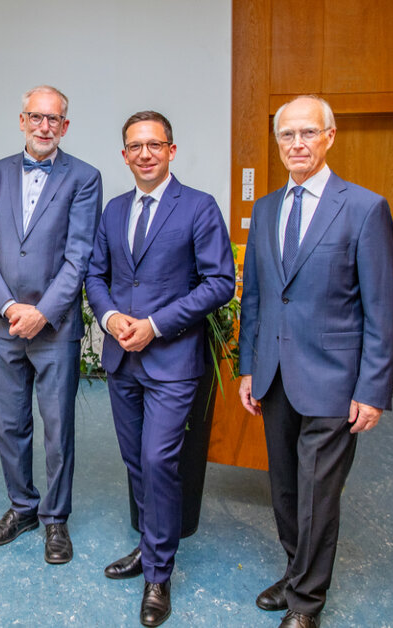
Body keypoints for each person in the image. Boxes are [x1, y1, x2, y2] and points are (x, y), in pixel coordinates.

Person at [238, 95, 393, 628]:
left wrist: (373, 389)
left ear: (330, 137)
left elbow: (382, 309)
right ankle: (295, 571)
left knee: (318, 494)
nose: (297, 143)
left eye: (309, 132)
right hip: (274, 373)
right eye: (287, 135)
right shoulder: (266, 209)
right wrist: (248, 367)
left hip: (335, 378)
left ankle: (307, 601)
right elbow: (257, 296)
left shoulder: (364, 208)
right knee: (285, 487)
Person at [85, 111, 235, 627]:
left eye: (154, 144)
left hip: (172, 360)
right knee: (135, 463)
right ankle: (149, 548)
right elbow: (96, 275)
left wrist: (154, 324)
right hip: (122, 357)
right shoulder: (113, 210)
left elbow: (220, 283)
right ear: (124, 155)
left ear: (171, 150)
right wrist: (110, 318)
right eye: (135, 146)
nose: (145, 153)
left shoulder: (198, 206)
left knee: (158, 461)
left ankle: (158, 575)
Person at [0, 85, 101, 564]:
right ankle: (22, 507)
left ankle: (56, 519)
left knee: (57, 429)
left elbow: (79, 256)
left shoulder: (84, 177)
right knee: (10, 424)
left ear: (65, 126)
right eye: (36, 117)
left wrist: (42, 312)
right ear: (22, 120)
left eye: (54, 119)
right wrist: (9, 308)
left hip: (55, 329)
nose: (44, 126)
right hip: (5, 326)